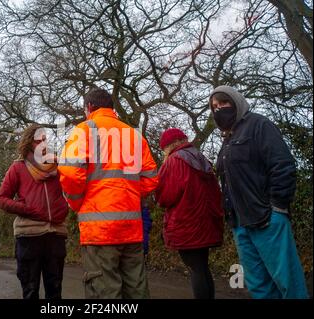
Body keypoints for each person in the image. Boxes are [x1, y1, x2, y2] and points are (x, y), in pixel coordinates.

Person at [209, 85, 308, 299]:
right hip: (240, 224)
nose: (219, 109)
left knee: (288, 283)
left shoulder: (259, 125)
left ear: (236, 101)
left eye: (223, 103)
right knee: (259, 287)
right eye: (214, 106)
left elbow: (283, 165)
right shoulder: (227, 140)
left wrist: (276, 207)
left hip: (267, 219)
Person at [58, 87, 158, 299]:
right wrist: (128, 196)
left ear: (89, 107)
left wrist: (77, 202)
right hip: (131, 227)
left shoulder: (84, 130)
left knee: (105, 293)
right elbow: (151, 178)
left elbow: (69, 171)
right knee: (137, 290)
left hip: (99, 230)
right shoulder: (134, 135)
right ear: (111, 107)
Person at [0, 124, 69, 299]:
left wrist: (66, 206)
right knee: (30, 291)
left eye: (45, 139)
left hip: (56, 234)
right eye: (38, 141)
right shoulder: (18, 168)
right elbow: (1, 199)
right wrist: (27, 209)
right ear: (29, 143)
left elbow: (73, 189)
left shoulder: (58, 165)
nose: (43, 144)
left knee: (55, 291)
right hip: (28, 236)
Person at [155, 128, 224, 299]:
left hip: (186, 223)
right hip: (206, 222)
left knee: (195, 270)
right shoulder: (201, 158)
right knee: (202, 267)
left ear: (168, 146)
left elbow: (164, 196)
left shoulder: (174, 161)